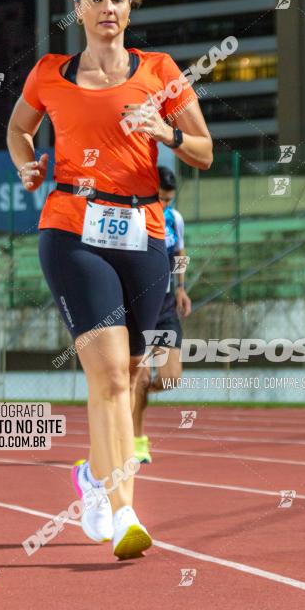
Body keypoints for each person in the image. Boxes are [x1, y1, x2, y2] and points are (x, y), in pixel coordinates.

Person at [7, 0, 212, 560]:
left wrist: (164, 132)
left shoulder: (161, 72)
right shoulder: (49, 74)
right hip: (72, 227)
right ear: (79, 10)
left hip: (143, 232)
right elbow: (19, 130)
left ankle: (93, 481)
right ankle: (124, 509)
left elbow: (202, 151)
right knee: (107, 375)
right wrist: (27, 163)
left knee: (128, 376)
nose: (107, 8)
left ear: (129, 9)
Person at [133, 166, 191, 464]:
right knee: (139, 379)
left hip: (166, 305)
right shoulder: (133, 216)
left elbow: (179, 253)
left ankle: (131, 396)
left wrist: (181, 287)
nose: (165, 204)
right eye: (160, 198)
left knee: (170, 379)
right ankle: (137, 442)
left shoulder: (174, 219)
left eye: (169, 199)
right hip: (138, 307)